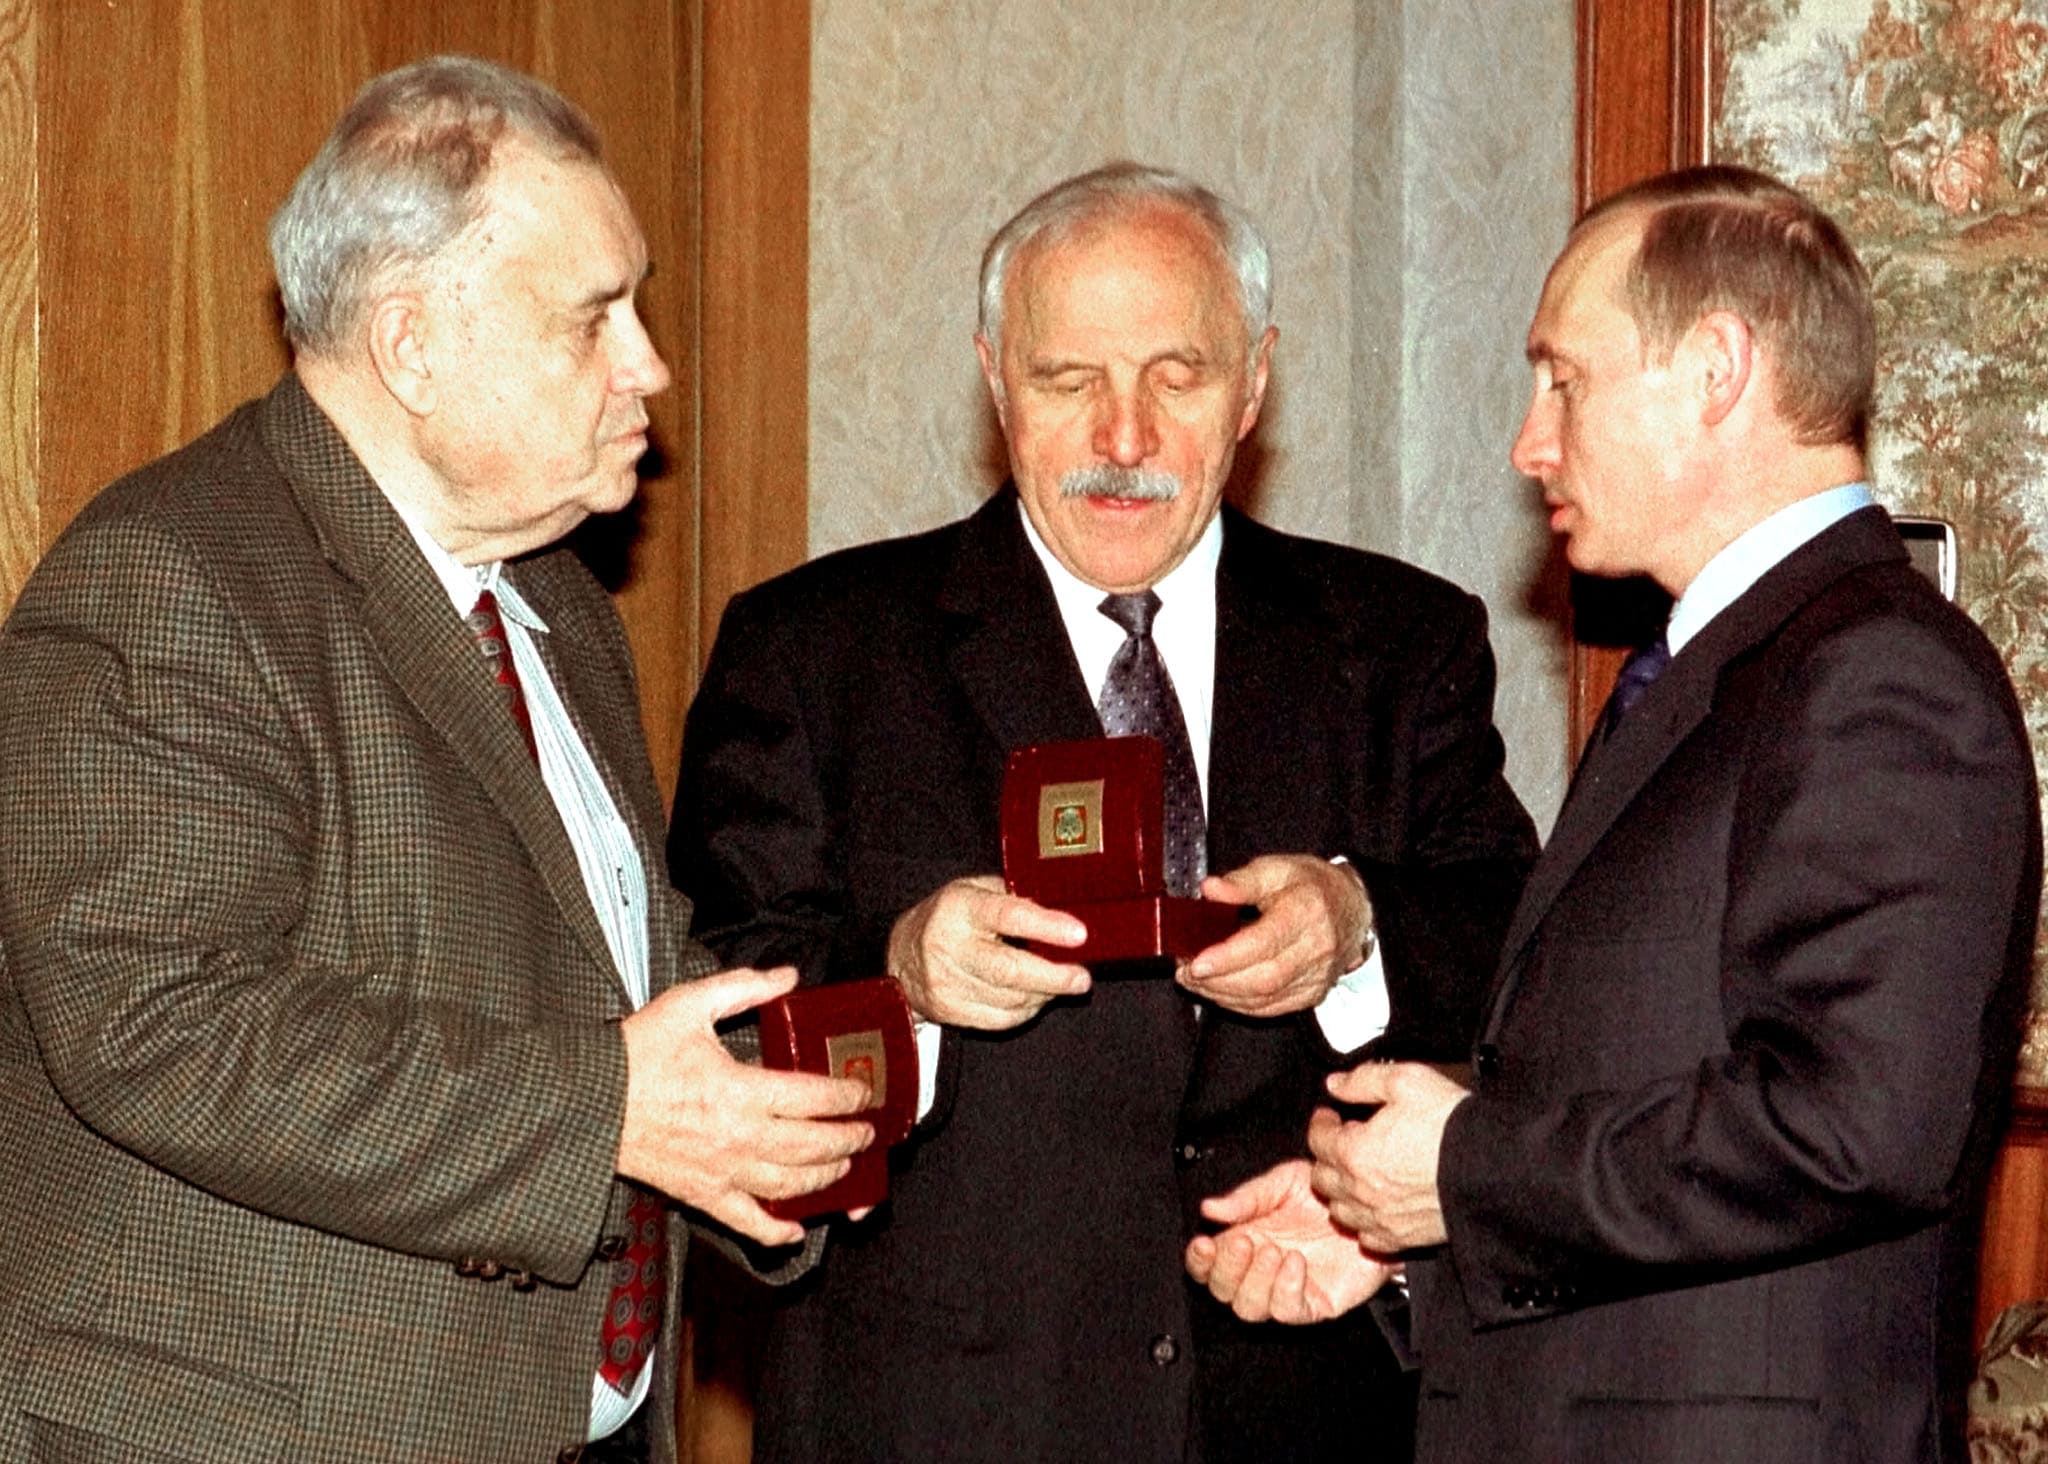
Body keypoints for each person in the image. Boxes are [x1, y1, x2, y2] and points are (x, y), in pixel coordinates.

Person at [0, 55, 876, 1464]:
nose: (648, 364)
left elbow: (605, 993)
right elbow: (159, 1025)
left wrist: (834, 1061)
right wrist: (611, 1112)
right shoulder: (172, 582)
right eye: (596, 318)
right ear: (412, 344)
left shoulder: (563, 609)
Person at [666, 161, 1539, 1463]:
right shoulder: (813, 650)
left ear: (1253, 384)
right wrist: (900, 983)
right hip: (944, 1419)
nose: (1121, 440)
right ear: (995, 379)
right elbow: (709, 1024)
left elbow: (1522, 956)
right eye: (1069, 381)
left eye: (1175, 377)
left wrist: (1357, 924)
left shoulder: (1399, 641)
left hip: (1305, 1409)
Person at [1185, 165, 2043, 1464]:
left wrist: (1469, 1171)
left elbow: (1859, 1131)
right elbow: (1651, 1087)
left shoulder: (1878, 676)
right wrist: (1400, 1217)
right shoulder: (1713, 672)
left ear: (1715, 369)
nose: (1531, 441)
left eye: (1567, 382)